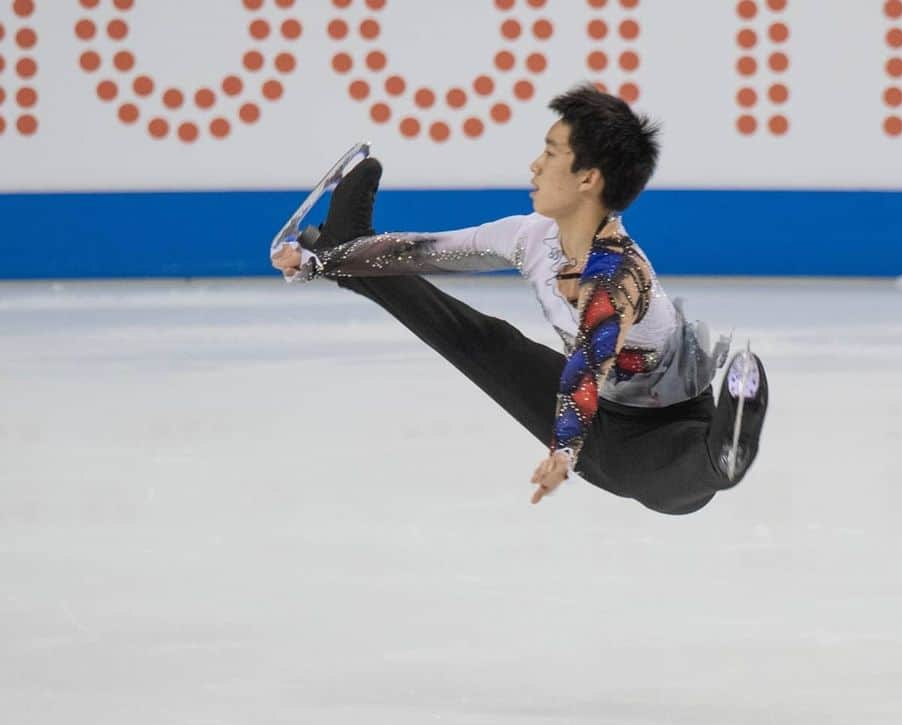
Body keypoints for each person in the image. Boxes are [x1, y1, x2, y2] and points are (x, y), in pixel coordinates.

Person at [271, 84, 767, 514]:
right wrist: (326, 260)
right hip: (600, 412)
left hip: (661, 430)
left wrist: (564, 452)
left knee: (667, 475)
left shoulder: (616, 275)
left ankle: (725, 449)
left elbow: (587, 367)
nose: (535, 164)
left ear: (587, 178)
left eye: (551, 153)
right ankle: (342, 237)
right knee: (482, 341)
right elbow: (422, 251)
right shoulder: (530, 236)